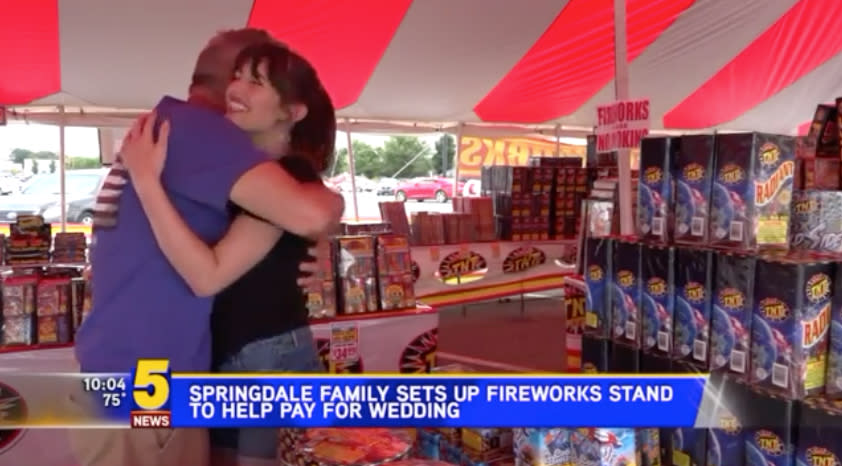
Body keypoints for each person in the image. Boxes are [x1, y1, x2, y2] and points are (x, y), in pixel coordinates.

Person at [67, 29, 342, 466]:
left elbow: (305, 212)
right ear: (222, 81)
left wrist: (317, 233)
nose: (240, 89)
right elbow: (304, 214)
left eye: (257, 80)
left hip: (139, 362)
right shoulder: (201, 133)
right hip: (152, 370)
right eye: (241, 75)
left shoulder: (175, 131)